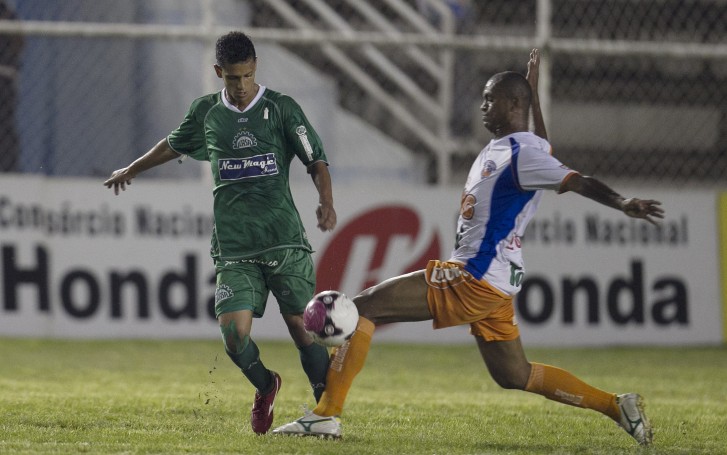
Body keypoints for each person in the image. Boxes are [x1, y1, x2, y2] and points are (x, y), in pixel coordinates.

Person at [272, 49, 660, 446]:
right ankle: (617, 406)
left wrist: (622, 203)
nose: (482, 105)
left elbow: (578, 180)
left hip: (473, 275)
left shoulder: (520, 154)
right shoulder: (524, 148)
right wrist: (534, 93)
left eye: (491, 98)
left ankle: (325, 415)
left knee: (363, 308)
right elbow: (542, 145)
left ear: (513, 105)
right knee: (514, 375)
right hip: (495, 283)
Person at [104, 31, 337, 435]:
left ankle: (326, 411)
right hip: (234, 249)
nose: (242, 86)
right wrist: (132, 169)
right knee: (233, 335)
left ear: (255, 67)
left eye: (247, 76)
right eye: (233, 78)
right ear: (219, 73)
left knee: (302, 327)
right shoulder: (207, 113)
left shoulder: (282, 108)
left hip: (283, 241)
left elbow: (315, 159)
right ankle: (266, 386)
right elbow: (173, 145)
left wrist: (326, 202)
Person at [0, 0, 23, 172]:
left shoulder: (6, 12)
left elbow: (20, 41)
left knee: (5, 127)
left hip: (4, 79)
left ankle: (8, 169)